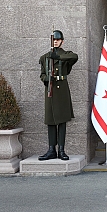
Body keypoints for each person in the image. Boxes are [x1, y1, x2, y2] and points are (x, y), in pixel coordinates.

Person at [38, 30, 78, 161]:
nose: (55, 41)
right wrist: (46, 78)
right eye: (53, 39)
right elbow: (42, 74)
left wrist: (58, 57)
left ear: (62, 41)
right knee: (51, 120)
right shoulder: (45, 57)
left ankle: (61, 150)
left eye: (58, 39)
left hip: (61, 90)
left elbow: (75, 57)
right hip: (50, 89)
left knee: (61, 120)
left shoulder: (66, 55)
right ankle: (51, 150)